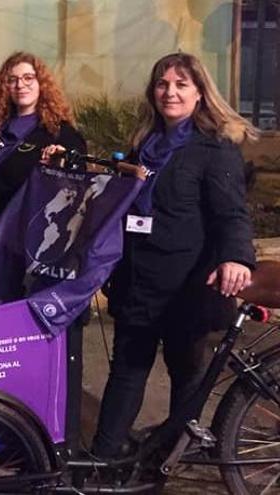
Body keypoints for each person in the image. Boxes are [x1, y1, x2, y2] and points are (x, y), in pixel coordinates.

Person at [91, 52, 258, 459]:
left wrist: (236, 258)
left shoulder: (213, 149)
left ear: (200, 93)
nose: (171, 92)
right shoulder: (142, 145)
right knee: (126, 371)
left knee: (186, 375)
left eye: (181, 84)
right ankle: (103, 457)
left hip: (185, 285)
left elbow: (231, 213)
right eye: (163, 84)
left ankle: (171, 456)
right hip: (138, 281)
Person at [0, 51, 87, 236]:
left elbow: (77, 182)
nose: (20, 85)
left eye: (28, 78)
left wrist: (62, 163)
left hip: (31, 233)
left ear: (41, 84)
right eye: (13, 80)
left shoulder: (60, 133)